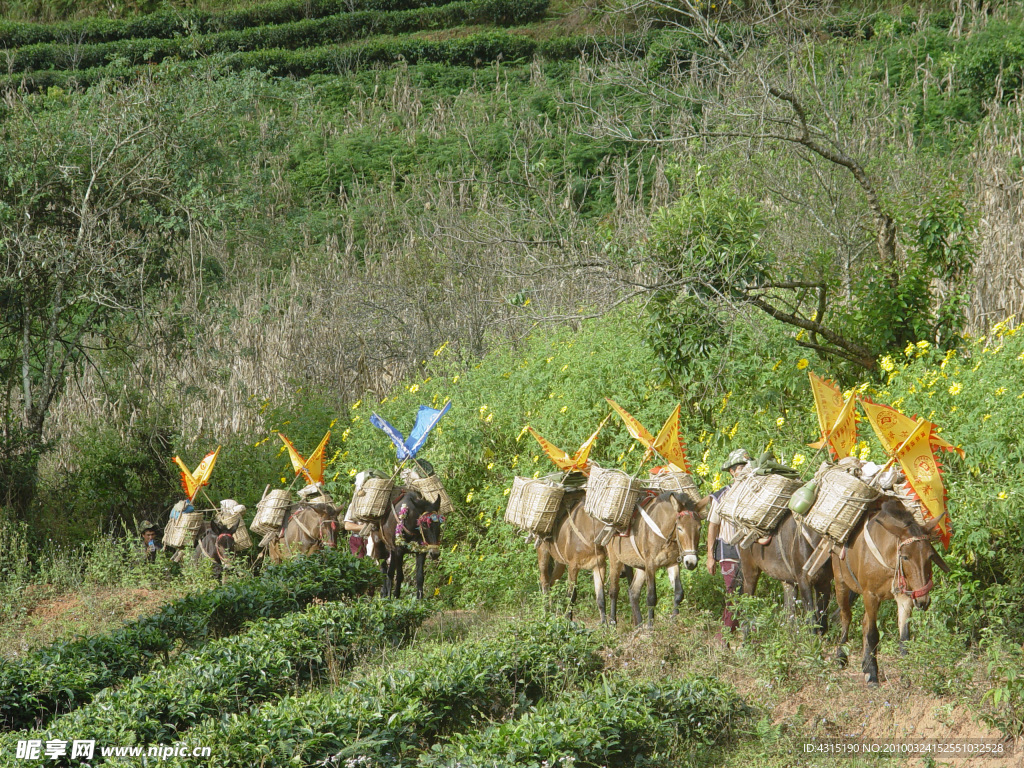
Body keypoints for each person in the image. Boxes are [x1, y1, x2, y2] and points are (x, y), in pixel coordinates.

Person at [698, 448, 751, 646]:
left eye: (746, 466)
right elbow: (713, 526)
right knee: (733, 594)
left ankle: (744, 638)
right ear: (731, 472)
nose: (743, 470)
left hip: (750, 554)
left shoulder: (754, 493)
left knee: (748, 595)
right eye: (739, 467)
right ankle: (724, 638)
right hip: (728, 552)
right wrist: (710, 556)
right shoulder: (722, 496)